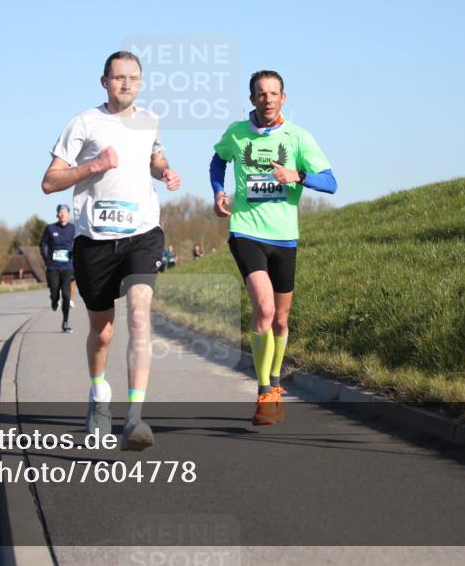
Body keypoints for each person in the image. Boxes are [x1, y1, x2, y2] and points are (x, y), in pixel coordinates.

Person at [41, 51, 181, 451]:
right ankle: (99, 396)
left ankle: (135, 418)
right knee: (102, 332)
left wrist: (164, 170)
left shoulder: (150, 120)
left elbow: (154, 157)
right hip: (95, 241)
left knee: (139, 317)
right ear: (104, 81)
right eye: (119, 78)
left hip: (142, 233)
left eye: (134, 78)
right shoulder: (84, 122)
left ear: (141, 82)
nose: (127, 84)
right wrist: (94, 166)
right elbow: (50, 182)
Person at [210, 70, 336, 425]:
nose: (267, 99)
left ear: (283, 98)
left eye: (274, 93)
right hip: (246, 231)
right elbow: (218, 159)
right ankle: (264, 391)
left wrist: (298, 176)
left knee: (281, 319)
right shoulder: (236, 133)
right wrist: (219, 191)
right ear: (252, 99)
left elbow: (331, 182)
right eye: (261, 93)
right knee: (264, 309)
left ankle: (276, 384)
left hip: (285, 237)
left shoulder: (298, 137)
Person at [40, 204, 77, 332]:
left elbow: (77, 244)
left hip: (67, 267)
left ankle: (65, 322)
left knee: (66, 295)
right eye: (60, 212)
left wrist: (75, 257)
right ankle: (54, 300)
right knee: (55, 291)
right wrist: (46, 258)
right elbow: (43, 244)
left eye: (65, 212)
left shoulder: (73, 229)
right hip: (53, 267)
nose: (63, 214)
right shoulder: (50, 228)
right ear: (57, 214)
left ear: (68, 214)